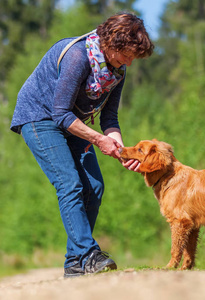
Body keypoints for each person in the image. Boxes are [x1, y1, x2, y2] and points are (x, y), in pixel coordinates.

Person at [10, 12, 154, 277]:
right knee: (69, 183)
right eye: (128, 54)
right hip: (39, 118)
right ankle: (89, 254)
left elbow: (109, 118)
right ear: (113, 43)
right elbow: (60, 114)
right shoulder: (78, 56)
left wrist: (120, 149)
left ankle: (74, 263)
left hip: (72, 121)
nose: (130, 63)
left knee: (95, 186)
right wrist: (100, 141)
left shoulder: (117, 71)